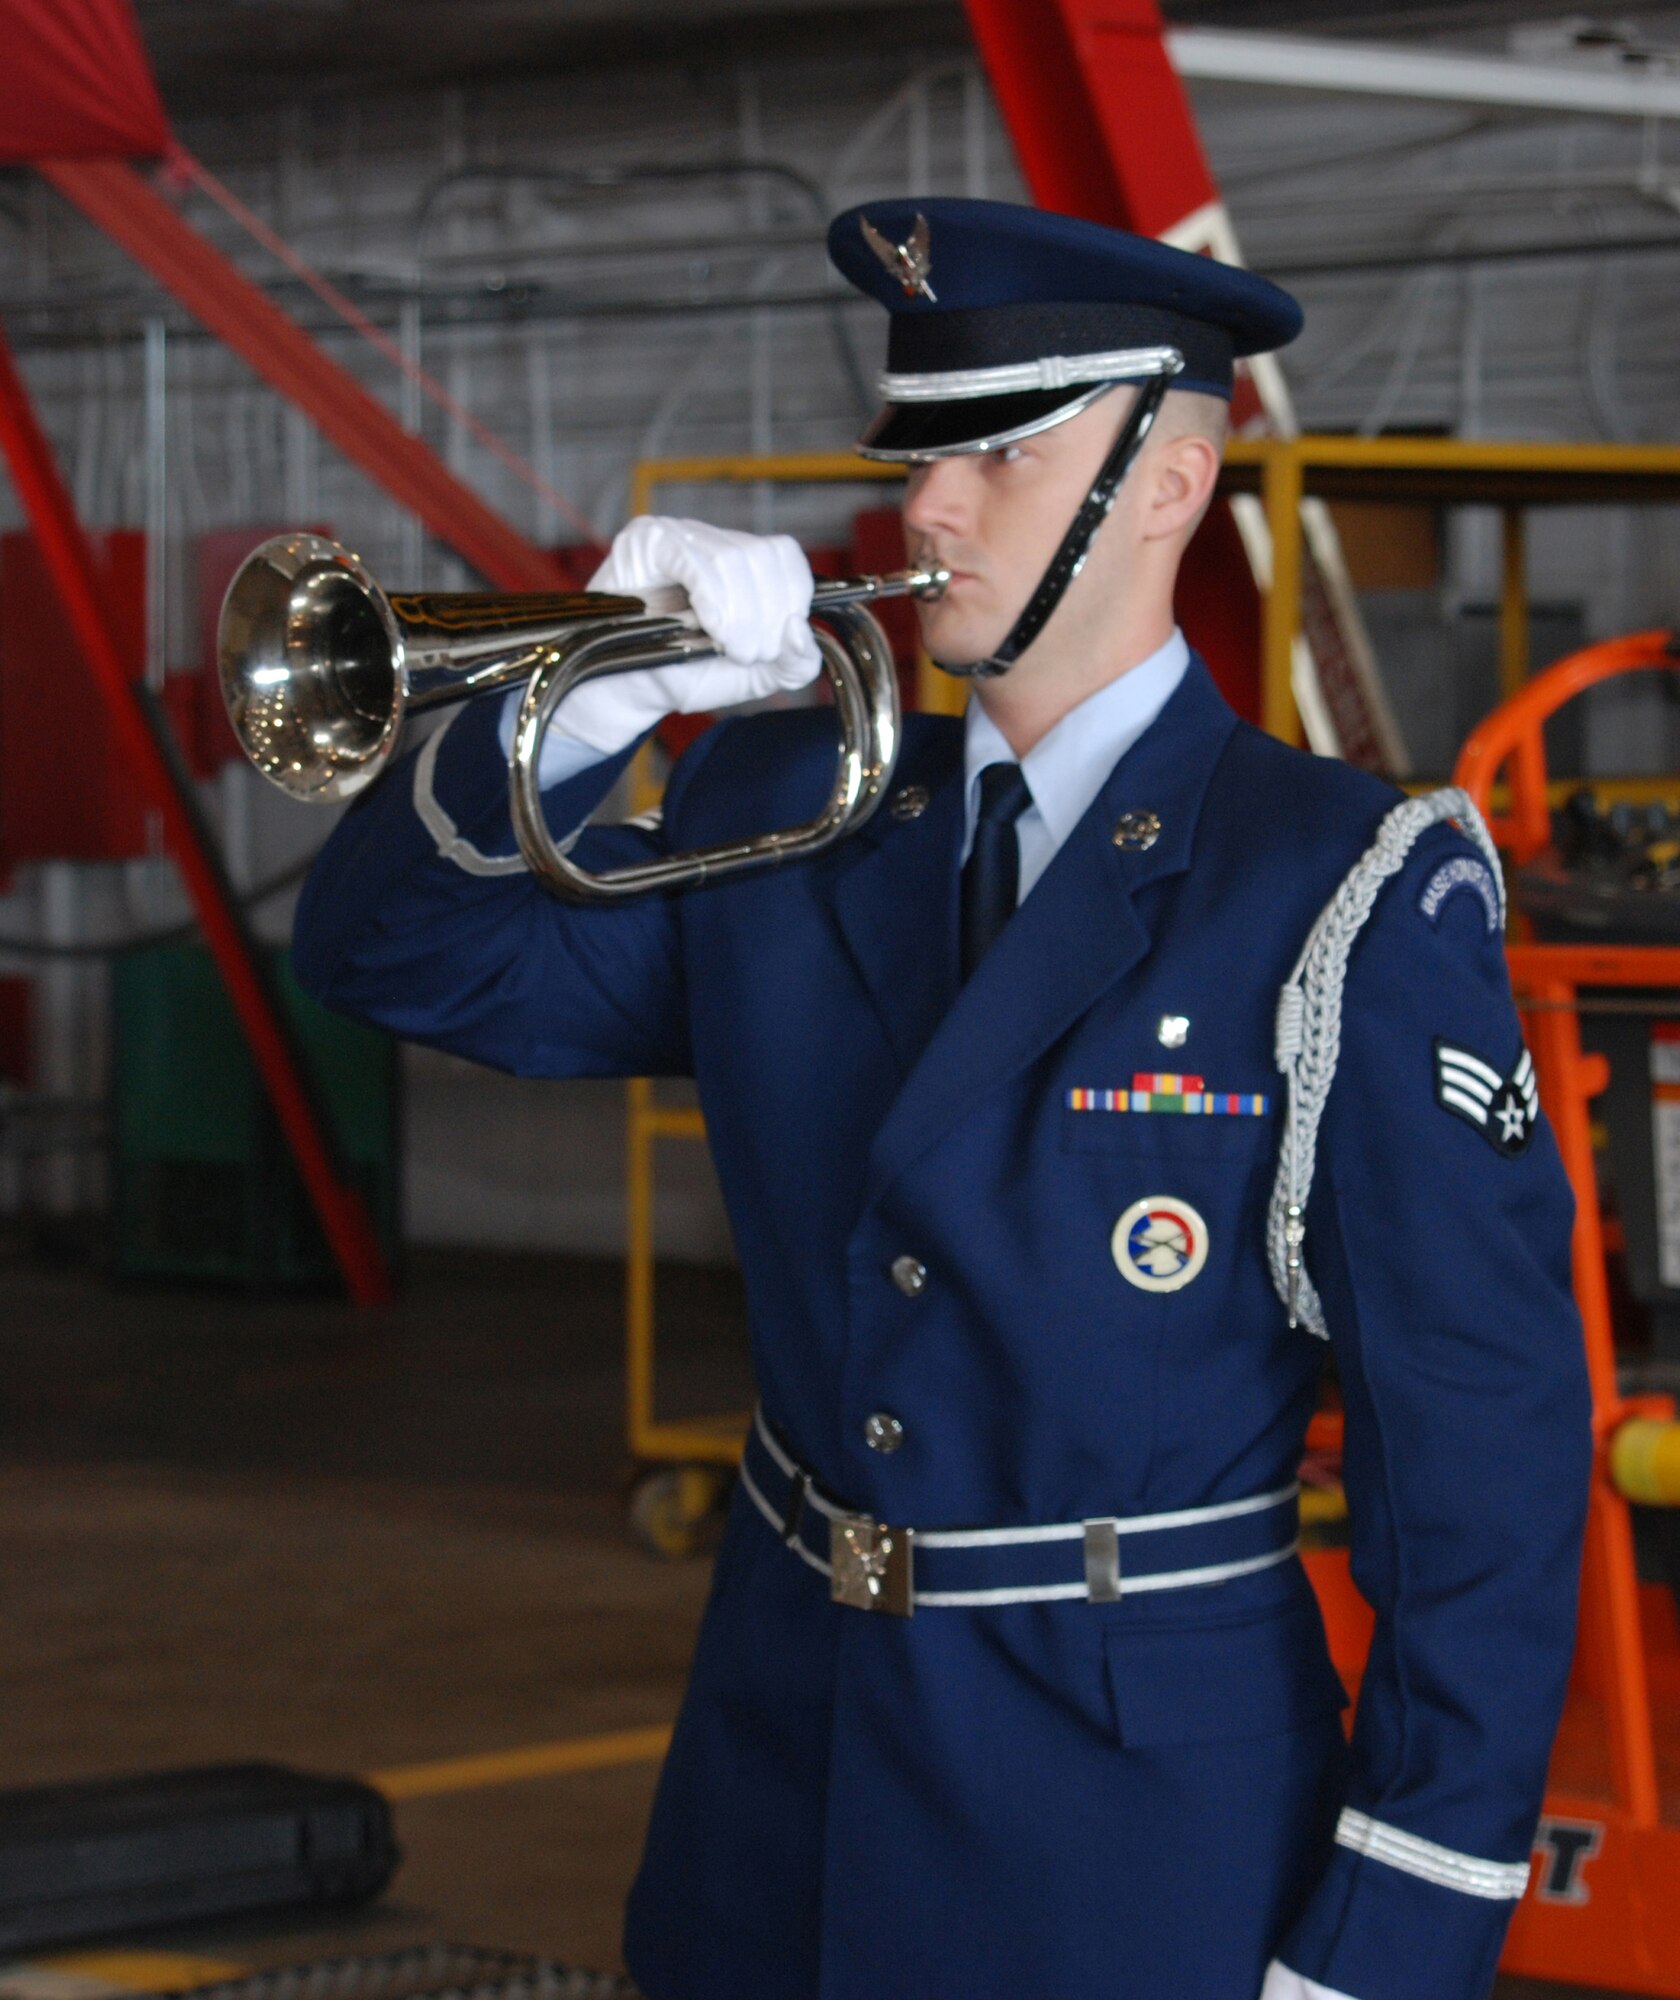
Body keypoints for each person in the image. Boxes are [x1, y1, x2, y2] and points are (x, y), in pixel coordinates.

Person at [292, 198, 1592, 2000]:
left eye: (1002, 450)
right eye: (922, 451)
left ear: (1171, 482)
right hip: (777, 1775)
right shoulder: (796, 809)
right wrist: (591, 691)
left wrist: (1390, 1939)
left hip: (1124, 1829)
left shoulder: (1337, 886)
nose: (929, 506)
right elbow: (396, 965)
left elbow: (1483, 1476)